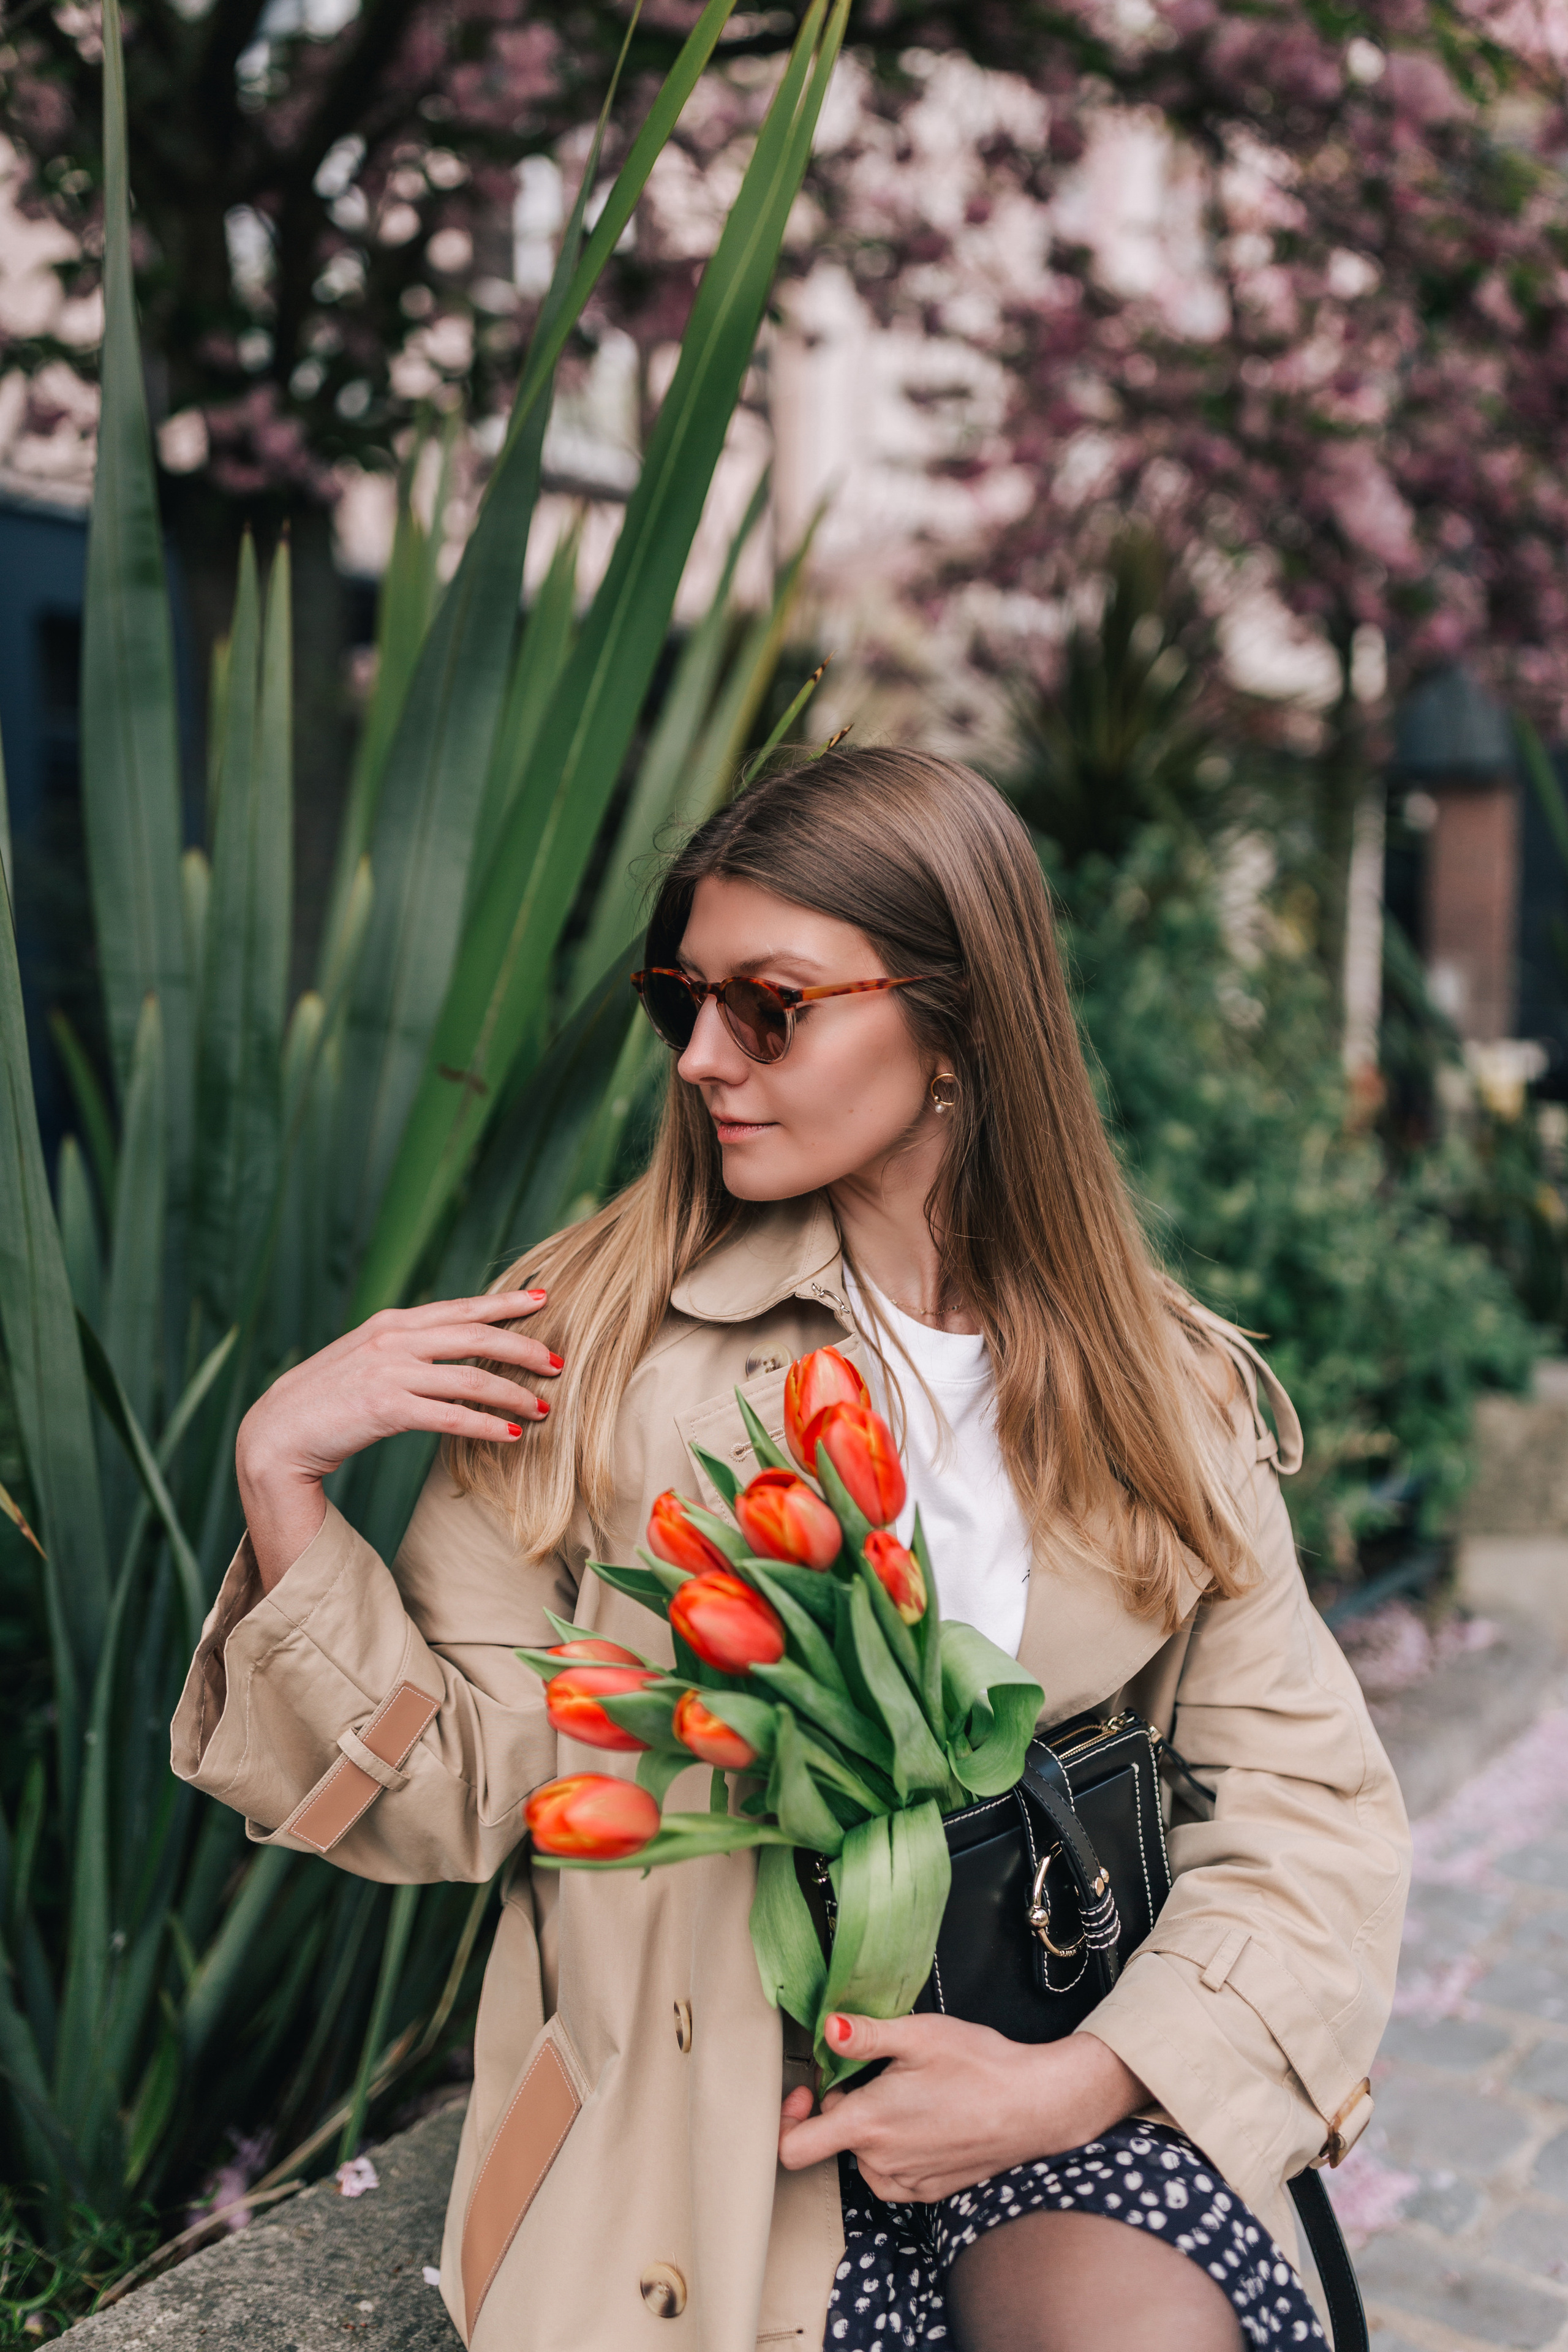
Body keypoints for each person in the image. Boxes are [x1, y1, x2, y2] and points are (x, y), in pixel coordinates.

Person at [173, 748, 1409, 2352]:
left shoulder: (1153, 1388)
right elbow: (463, 1797)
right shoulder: (594, 1341)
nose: (699, 1058)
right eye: (676, 1001)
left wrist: (1073, 2086)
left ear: (956, 1024)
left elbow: (1302, 1796)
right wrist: (282, 1484)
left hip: (1052, 2092)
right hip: (708, 2139)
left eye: (770, 1006)